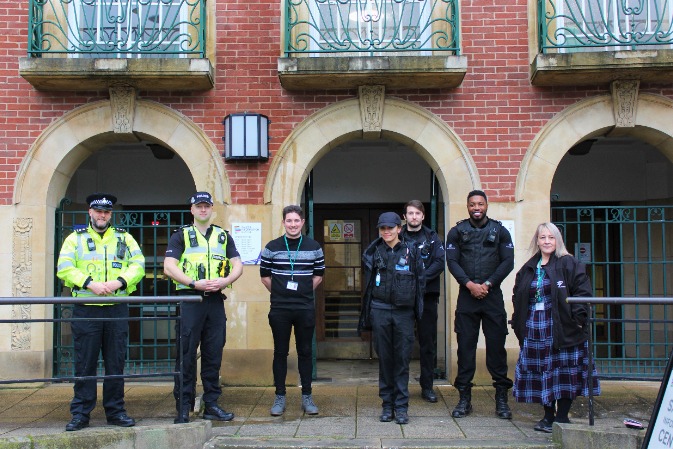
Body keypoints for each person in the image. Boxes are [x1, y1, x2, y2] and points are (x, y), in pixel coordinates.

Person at [56, 193, 145, 432]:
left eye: (106, 212)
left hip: (116, 309)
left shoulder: (125, 238)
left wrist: (119, 282)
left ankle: (115, 411)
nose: (102, 215)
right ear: (90, 212)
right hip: (87, 310)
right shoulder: (75, 239)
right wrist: (88, 283)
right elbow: (64, 268)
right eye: (98, 211)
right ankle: (80, 414)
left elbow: (138, 265)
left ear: (111, 214)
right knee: (85, 364)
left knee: (115, 363)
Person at [511, 222, 600, 433]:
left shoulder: (569, 263)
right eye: (543, 237)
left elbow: (582, 292)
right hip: (535, 327)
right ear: (537, 241)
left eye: (551, 237)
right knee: (543, 372)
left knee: (565, 372)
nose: (547, 241)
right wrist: (518, 321)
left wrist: (579, 318)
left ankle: (561, 417)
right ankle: (548, 416)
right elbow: (518, 295)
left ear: (557, 240)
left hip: (562, 326)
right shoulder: (529, 267)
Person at [164, 191, 243, 424]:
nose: (203, 210)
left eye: (206, 206)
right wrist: (192, 283)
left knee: (213, 354)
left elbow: (238, 265)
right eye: (198, 206)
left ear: (212, 209)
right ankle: (183, 406)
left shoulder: (223, 236)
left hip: (215, 300)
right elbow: (169, 266)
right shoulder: (181, 236)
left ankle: (212, 404)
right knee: (186, 354)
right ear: (192, 210)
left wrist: (226, 281)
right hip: (190, 300)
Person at [446, 190, 514, 419]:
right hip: (467, 298)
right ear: (467, 206)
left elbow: (508, 262)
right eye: (473, 204)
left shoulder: (500, 231)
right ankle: (464, 399)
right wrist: (469, 284)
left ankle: (502, 400)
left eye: (481, 204)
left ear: (486, 206)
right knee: (465, 349)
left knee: (496, 348)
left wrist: (487, 284)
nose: (477, 207)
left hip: (492, 297)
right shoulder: (456, 232)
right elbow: (452, 262)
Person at [359, 212, 425, 425]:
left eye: (390, 228)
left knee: (402, 360)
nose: (386, 232)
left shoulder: (411, 251)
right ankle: (387, 405)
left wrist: (418, 313)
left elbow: (420, 283)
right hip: (379, 309)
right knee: (385, 360)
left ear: (399, 228)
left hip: (403, 312)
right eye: (383, 228)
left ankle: (402, 407)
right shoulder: (373, 251)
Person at [260, 205, 325, 416]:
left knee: (305, 352)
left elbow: (318, 276)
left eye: (297, 221)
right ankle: (280, 396)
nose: (293, 224)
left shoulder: (314, 247)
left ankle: (307, 396)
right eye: (289, 221)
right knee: (280, 352)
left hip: (304, 307)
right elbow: (265, 276)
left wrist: (302, 292)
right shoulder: (272, 247)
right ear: (283, 222)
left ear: (302, 222)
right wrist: (281, 293)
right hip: (280, 308)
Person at [400, 200, 445, 403]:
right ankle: (400, 387)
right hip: (403, 298)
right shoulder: (397, 236)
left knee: (428, 344)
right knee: (402, 343)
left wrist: (420, 279)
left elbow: (439, 263)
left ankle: (427, 386)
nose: (414, 217)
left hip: (427, 297)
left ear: (423, 216)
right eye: (410, 213)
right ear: (405, 216)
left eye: (417, 213)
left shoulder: (432, 237)